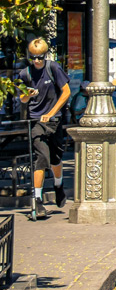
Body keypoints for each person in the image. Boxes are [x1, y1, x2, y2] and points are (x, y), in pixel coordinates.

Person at [17, 37, 71, 219]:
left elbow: (66, 92)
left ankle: (58, 185)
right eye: (33, 57)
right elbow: (23, 99)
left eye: (40, 57)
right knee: (41, 159)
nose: (37, 61)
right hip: (36, 121)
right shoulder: (25, 74)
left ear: (45, 55)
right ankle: (38, 201)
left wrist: (52, 112)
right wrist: (27, 94)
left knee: (55, 159)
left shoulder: (53, 68)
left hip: (54, 120)